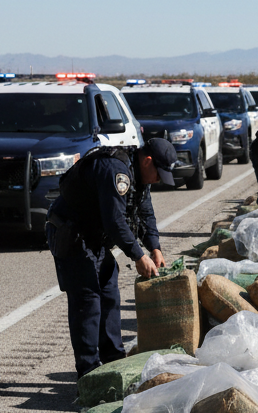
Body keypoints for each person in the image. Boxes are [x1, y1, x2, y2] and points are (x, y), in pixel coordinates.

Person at [47, 137, 177, 380]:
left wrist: (155, 248)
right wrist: (138, 255)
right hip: (70, 233)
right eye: (158, 174)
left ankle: (114, 363)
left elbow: (144, 211)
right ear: (148, 161)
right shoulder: (115, 172)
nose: (158, 180)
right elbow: (114, 221)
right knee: (88, 301)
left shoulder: (139, 175)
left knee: (109, 293)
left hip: (93, 236)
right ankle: (89, 375)